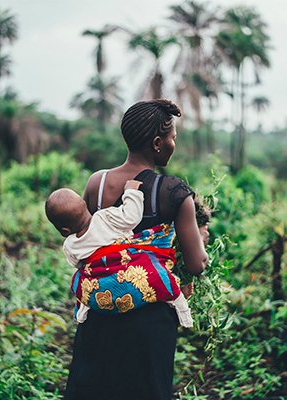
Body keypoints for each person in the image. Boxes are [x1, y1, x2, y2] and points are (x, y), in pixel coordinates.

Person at [64, 99, 208, 400]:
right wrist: (201, 240)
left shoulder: (97, 184)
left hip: (100, 311)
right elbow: (196, 265)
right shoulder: (174, 193)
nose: (173, 144)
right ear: (158, 143)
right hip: (149, 322)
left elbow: (88, 240)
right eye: (172, 138)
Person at [44, 180, 193, 327]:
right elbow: (131, 217)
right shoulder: (104, 217)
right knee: (157, 274)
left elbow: (78, 264)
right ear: (84, 204)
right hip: (128, 271)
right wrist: (131, 191)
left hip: (101, 288)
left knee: (80, 280)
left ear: (64, 231)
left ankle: (83, 310)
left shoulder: (70, 245)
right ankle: (182, 310)